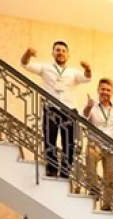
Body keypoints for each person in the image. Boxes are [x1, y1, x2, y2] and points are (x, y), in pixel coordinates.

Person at [20, 42, 91, 179]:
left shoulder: (73, 72)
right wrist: (28, 53)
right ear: (53, 53)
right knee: (49, 140)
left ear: (68, 55)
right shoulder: (45, 67)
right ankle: (51, 169)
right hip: (51, 108)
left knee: (69, 144)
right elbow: (25, 64)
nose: (60, 53)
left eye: (63, 50)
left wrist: (87, 68)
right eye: (57, 50)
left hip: (69, 110)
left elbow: (87, 78)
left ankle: (65, 172)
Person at [81, 78, 113, 210]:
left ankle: (107, 205)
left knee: (110, 178)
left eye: (108, 90)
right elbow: (84, 117)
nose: (105, 92)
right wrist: (88, 107)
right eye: (103, 89)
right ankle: (94, 189)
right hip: (95, 145)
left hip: (111, 148)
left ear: (112, 92)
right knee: (89, 159)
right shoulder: (92, 107)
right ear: (98, 90)